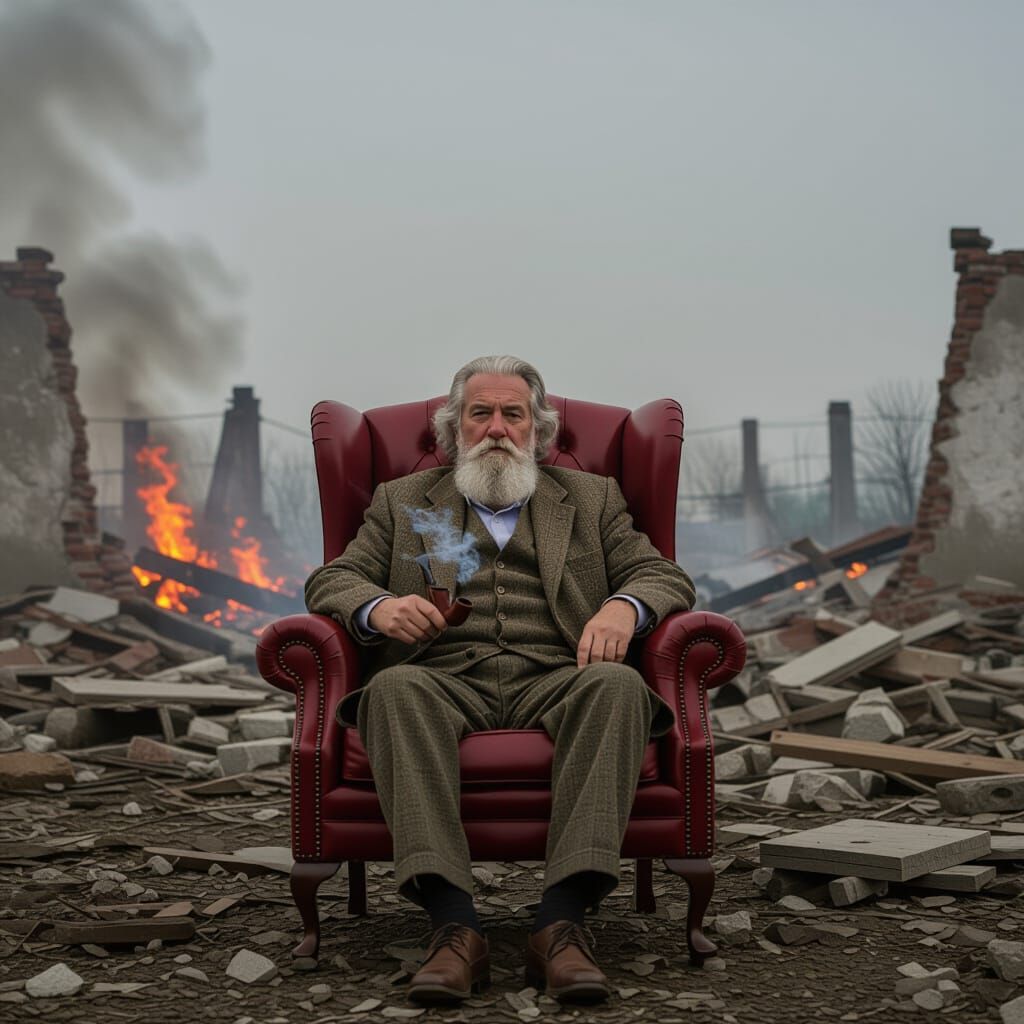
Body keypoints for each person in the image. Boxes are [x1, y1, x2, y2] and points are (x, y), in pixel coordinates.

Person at [304, 355, 696, 1005]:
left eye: (512, 414)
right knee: (393, 692)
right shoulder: (402, 502)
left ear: (538, 431)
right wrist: (380, 607)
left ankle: (562, 925)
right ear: (454, 429)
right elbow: (333, 580)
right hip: (440, 675)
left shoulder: (593, 499)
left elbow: (663, 576)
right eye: (478, 413)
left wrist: (623, 607)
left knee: (620, 687)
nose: (495, 428)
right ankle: (455, 928)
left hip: (559, 673)